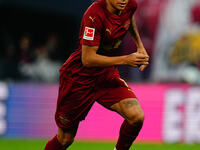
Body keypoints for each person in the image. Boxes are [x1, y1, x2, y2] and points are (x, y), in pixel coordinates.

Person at [44, 0, 149, 150]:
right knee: (65, 138)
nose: (124, 0)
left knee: (136, 117)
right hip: (79, 78)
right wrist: (126, 59)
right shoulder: (94, 15)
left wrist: (140, 46)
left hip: (105, 74)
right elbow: (87, 59)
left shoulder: (129, 5)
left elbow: (128, 18)